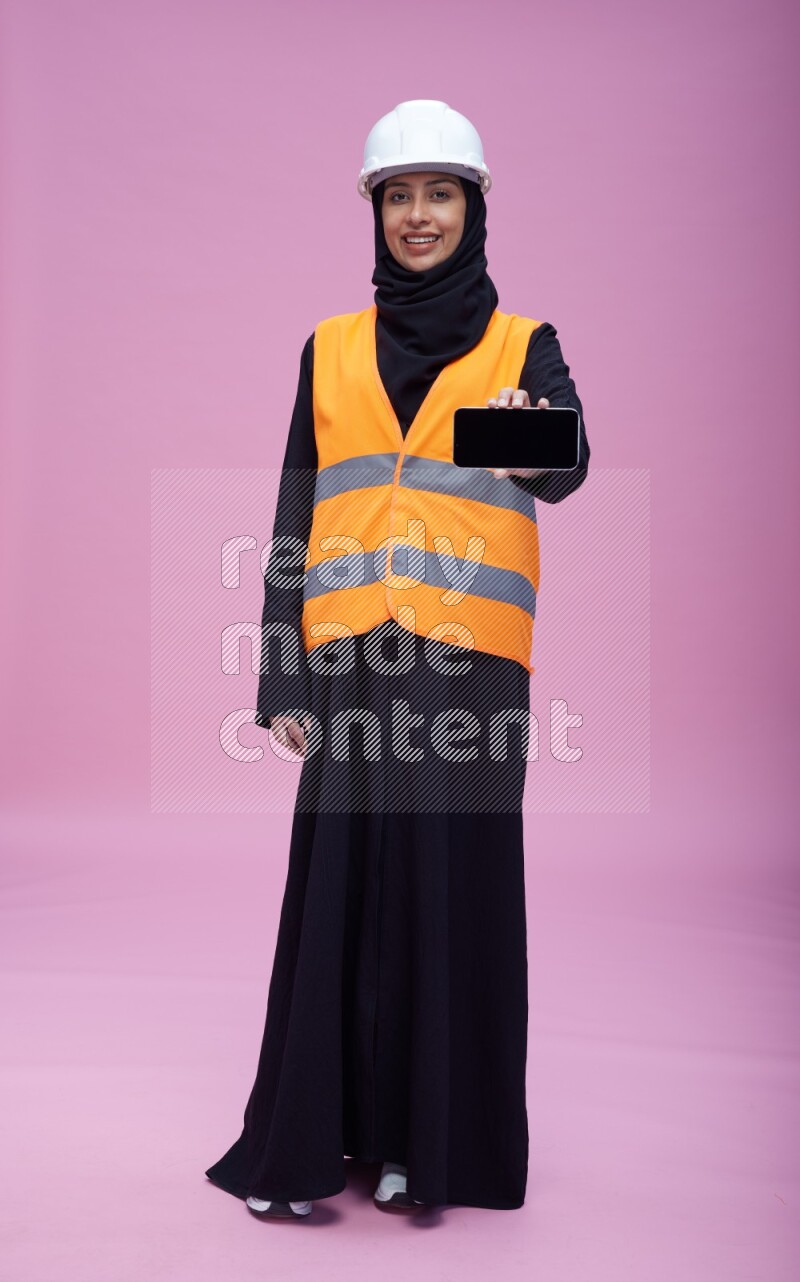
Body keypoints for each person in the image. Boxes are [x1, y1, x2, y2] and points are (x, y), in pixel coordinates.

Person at [205, 99, 590, 1220]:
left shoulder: (527, 347)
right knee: (339, 894)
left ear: (473, 208)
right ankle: (312, 1146)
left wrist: (516, 430)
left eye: (439, 194)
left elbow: (563, 468)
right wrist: (280, 670)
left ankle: (434, 1146)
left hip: (469, 668)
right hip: (348, 663)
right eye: (397, 196)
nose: (417, 216)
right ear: (373, 212)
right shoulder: (328, 348)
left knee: (447, 891)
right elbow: (293, 513)